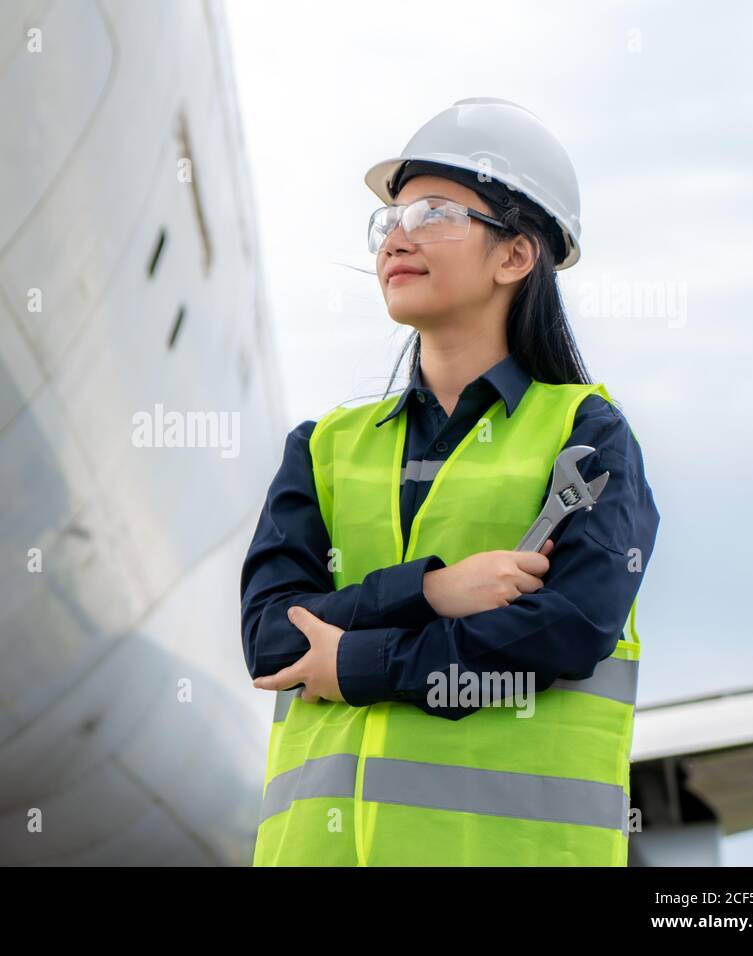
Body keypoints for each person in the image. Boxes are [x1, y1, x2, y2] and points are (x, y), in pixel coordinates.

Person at [240, 98, 660, 865]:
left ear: (516, 255)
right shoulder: (324, 447)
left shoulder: (585, 435)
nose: (396, 237)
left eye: (433, 213)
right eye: (389, 221)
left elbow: (567, 629)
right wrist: (431, 591)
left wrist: (356, 662)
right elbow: (271, 641)